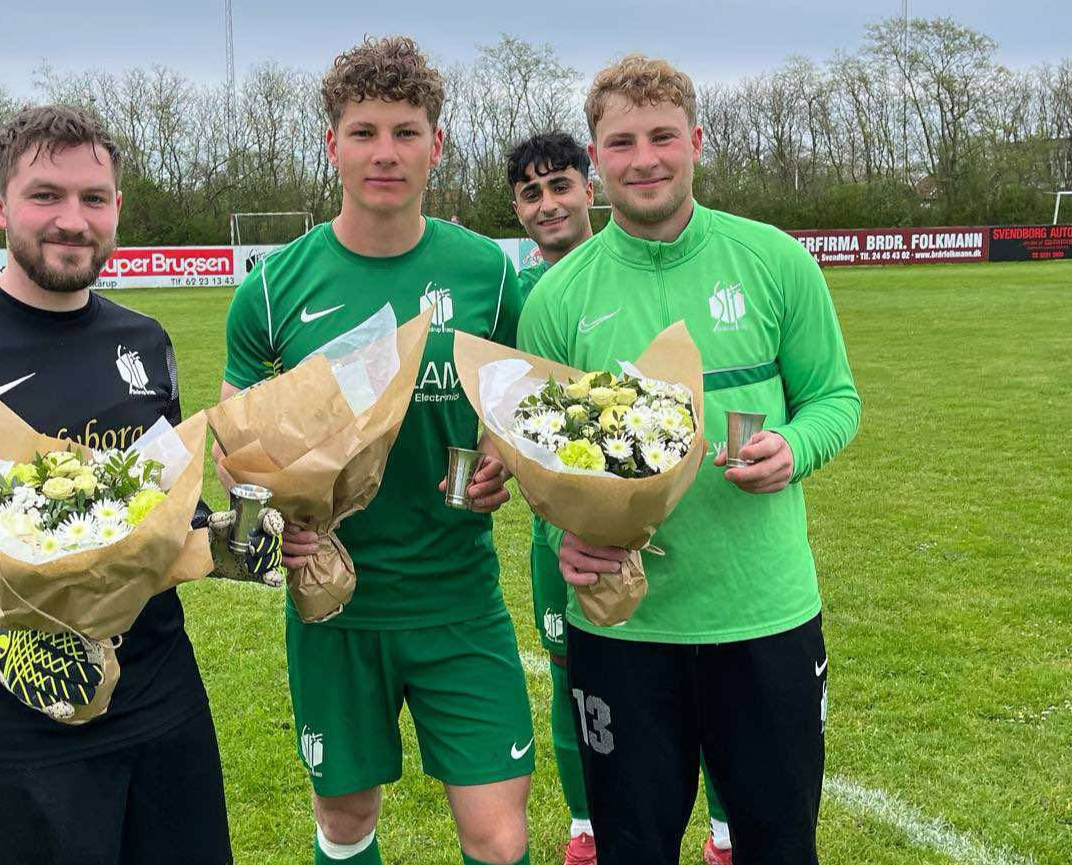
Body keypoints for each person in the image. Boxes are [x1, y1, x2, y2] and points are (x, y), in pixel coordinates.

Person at [0, 104, 273, 865]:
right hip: (14, 730)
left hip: (164, 705)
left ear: (117, 210)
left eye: (93, 199)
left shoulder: (147, 343)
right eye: (46, 196)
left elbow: (160, 511)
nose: (73, 219)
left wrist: (228, 542)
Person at [517, 56, 861, 865]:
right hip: (627, 629)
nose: (645, 159)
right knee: (633, 848)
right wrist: (566, 525)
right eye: (622, 142)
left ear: (696, 141)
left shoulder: (774, 261)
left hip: (764, 616)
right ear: (594, 159)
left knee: (779, 845)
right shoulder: (559, 298)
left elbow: (836, 398)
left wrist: (795, 447)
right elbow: (536, 458)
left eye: (663, 136)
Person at [219, 36, 533, 865]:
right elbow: (235, 448)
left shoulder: (489, 275)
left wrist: (502, 453)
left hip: (458, 598)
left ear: (438, 143)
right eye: (363, 132)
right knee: (347, 821)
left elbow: (522, 396)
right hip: (335, 608)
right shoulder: (274, 288)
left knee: (498, 837)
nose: (384, 152)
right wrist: (267, 519)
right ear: (332, 146)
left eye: (405, 130)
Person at [507, 131, 737, 865]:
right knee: (571, 671)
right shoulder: (521, 295)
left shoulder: (640, 272)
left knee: (703, 677)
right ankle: (585, 824)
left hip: (683, 536)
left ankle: (726, 831)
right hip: (564, 535)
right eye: (530, 193)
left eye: (560, 186)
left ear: (590, 184)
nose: (549, 205)